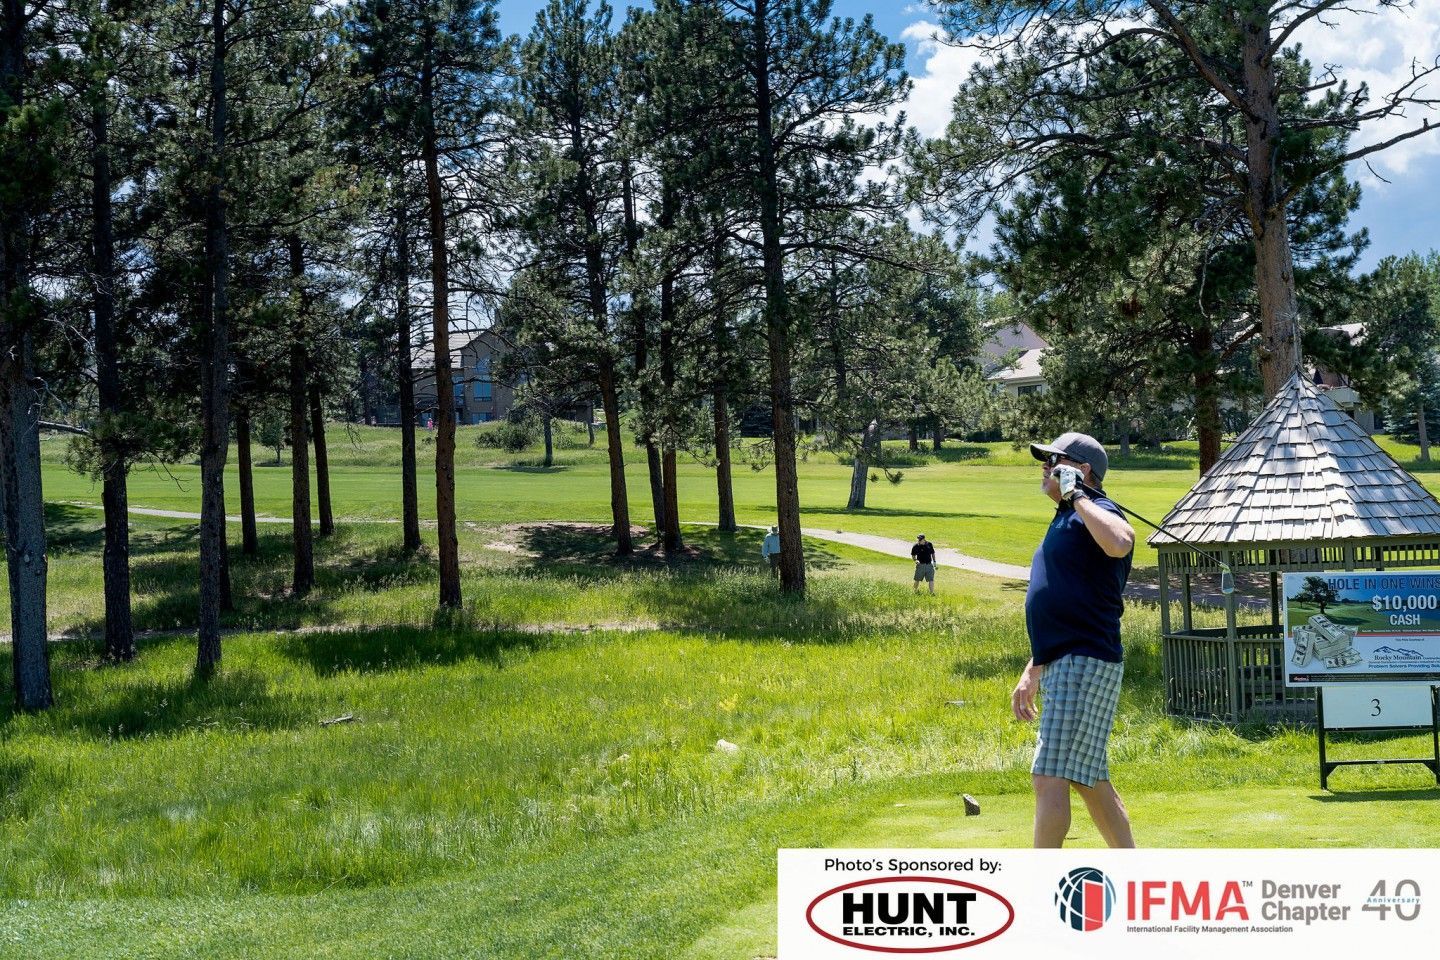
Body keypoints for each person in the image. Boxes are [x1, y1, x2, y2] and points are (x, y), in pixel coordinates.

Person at [1011, 431, 1137, 849]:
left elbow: (1121, 542)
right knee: (1088, 778)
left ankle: (1041, 886)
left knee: (1050, 775)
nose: (1045, 468)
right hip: (1068, 659)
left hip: (1086, 659)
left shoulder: (1096, 508)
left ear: (1083, 471)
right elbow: (1063, 604)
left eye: (1055, 461)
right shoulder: (1068, 517)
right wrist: (1034, 668)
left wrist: (1079, 496)